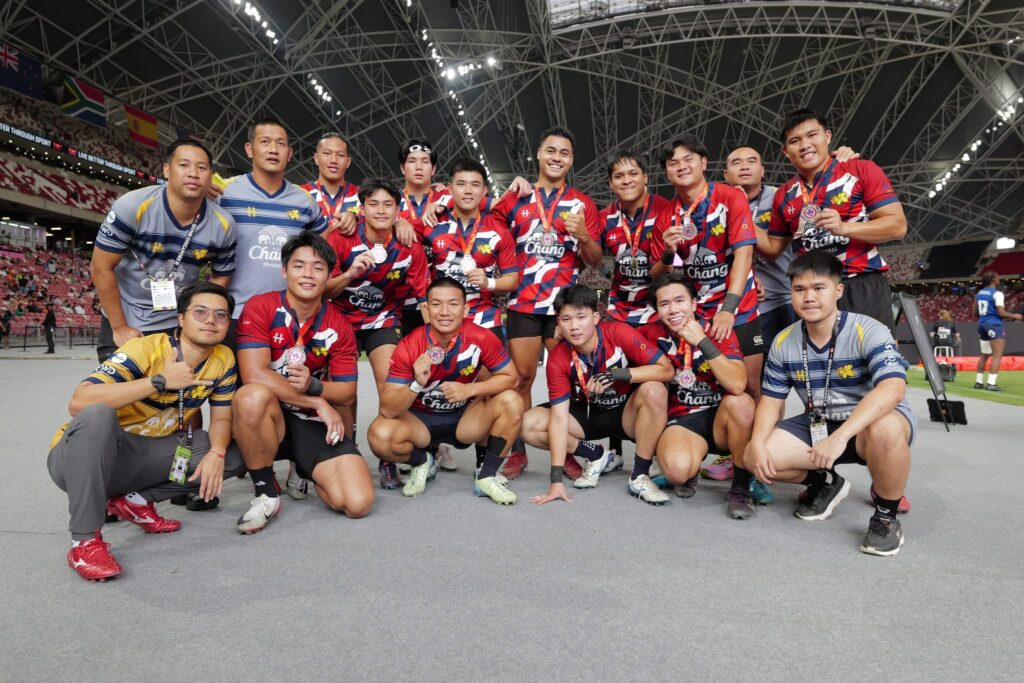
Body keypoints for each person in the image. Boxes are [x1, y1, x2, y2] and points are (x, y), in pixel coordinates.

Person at [47, 282, 243, 581]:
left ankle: (136, 500)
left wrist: (216, 452)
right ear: (181, 318)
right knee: (98, 414)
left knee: (234, 453)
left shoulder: (224, 358)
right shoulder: (144, 349)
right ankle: (84, 543)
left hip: (145, 455)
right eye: (200, 312)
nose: (210, 321)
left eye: (220, 315)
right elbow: (79, 402)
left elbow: (221, 418)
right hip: (86, 457)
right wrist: (159, 381)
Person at [747, 250, 915, 556]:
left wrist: (842, 436)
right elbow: (770, 401)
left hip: (867, 426)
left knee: (886, 428)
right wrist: (757, 442)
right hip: (821, 424)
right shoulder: (784, 341)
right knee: (753, 456)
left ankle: (886, 518)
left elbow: (893, 389)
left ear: (838, 291)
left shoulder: (870, 329)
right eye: (799, 289)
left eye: (818, 288)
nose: (809, 297)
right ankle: (825, 481)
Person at [232, 232, 373, 533]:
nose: (308, 274)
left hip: (311, 422)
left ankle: (306, 467)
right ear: (284, 271)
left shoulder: (339, 324)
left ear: (329, 275)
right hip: (271, 416)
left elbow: (346, 392)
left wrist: (313, 386)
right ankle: (266, 492)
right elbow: (254, 374)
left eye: (318, 267)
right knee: (250, 396)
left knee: (357, 503)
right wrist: (316, 400)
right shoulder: (261, 306)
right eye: (299, 266)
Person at [488, 126, 604, 480]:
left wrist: (583, 235)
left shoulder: (582, 204)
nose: (557, 157)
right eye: (550, 150)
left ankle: (564, 448)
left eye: (564, 153)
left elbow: (595, 259)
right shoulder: (518, 197)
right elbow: (485, 225)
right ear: (539, 154)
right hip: (523, 303)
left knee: (568, 379)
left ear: (571, 160)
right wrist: (505, 193)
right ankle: (518, 452)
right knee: (521, 379)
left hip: (561, 309)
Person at [367, 277, 524, 503]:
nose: (444, 312)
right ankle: (423, 461)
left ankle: (487, 476)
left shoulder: (481, 336)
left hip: (465, 419)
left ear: (465, 309)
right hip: (421, 422)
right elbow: (388, 409)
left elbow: (511, 377)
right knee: (379, 435)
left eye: (453, 304)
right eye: (436, 304)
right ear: (426, 309)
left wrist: (469, 390)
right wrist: (416, 383)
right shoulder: (409, 344)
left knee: (512, 401)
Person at [521, 284, 674, 505]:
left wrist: (619, 374)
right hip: (590, 414)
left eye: (581, 317)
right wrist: (556, 480)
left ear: (595, 317)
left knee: (654, 389)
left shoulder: (618, 332)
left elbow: (666, 370)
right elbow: (559, 418)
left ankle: (639, 475)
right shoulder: (558, 357)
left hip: (627, 414)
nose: (574, 326)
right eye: (566, 319)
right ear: (558, 322)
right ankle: (597, 455)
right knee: (528, 424)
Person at [91, 140, 238, 362]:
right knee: (120, 384)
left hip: (177, 323)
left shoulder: (224, 224)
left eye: (201, 167)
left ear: (210, 176)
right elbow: (100, 266)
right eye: (184, 165)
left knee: (176, 383)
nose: (193, 173)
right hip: (128, 318)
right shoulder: (132, 206)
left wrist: (194, 317)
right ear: (167, 170)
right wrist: (119, 326)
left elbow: (222, 275)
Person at [325, 179, 429, 489]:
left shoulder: (409, 244)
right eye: (373, 204)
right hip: (341, 321)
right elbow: (324, 290)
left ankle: (388, 458)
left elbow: (423, 297)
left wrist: (437, 342)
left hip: (383, 321)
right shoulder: (341, 238)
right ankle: (348, 452)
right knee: (345, 393)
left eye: (388, 205)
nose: (381, 210)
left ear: (398, 210)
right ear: (362, 209)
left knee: (390, 388)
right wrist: (350, 274)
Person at [763, 108, 907, 331]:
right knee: (816, 355)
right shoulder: (784, 194)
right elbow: (773, 249)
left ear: (827, 136)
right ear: (785, 151)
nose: (805, 145)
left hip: (860, 284)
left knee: (876, 353)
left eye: (812, 135)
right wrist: (738, 211)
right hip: (813, 292)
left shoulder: (860, 170)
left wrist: (844, 228)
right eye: (795, 141)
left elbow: (897, 226)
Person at [639, 274, 756, 517]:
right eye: (664, 304)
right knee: (676, 472)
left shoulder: (717, 330)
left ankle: (741, 487)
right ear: (657, 310)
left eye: (680, 301)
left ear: (694, 303)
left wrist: (702, 341)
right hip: (684, 420)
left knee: (742, 403)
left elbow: (737, 384)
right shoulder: (650, 334)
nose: (673, 309)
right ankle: (690, 469)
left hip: (722, 419)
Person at [218, 118, 329, 340]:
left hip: (287, 315)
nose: (273, 149)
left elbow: (324, 243)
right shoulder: (224, 193)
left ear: (289, 153)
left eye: (280, 144)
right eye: (265, 142)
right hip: (235, 312)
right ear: (249, 149)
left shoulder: (304, 201)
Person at [598, 151, 671, 472]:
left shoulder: (665, 209)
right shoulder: (605, 217)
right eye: (619, 176)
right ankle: (614, 450)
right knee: (616, 378)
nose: (626, 180)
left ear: (645, 177)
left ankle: (654, 452)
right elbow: (591, 257)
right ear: (611, 183)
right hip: (618, 310)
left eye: (632, 174)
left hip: (655, 310)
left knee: (659, 380)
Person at [301, 132, 361, 236]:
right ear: (316, 158)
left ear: (348, 162)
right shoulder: (301, 194)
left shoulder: (362, 196)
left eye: (340, 155)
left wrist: (357, 219)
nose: (334, 160)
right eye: (327, 153)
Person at [975, 271, 1023, 391]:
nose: (999, 279)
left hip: (982, 324)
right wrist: (1015, 316)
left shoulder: (979, 293)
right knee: (997, 355)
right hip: (994, 325)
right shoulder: (997, 294)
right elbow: (1001, 313)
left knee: (984, 355)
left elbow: (975, 312)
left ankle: (978, 382)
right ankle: (991, 383)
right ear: (993, 280)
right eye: (997, 277)